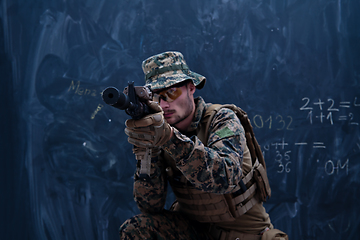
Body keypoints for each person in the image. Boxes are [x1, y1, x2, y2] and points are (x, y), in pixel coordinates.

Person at [119, 51, 288, 240]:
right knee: (136, 229)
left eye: (171, 93)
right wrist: (146, 152)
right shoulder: (161, 134)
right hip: (195, 233)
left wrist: (169, 139)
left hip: (245, 235)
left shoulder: (222, 120)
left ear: (191, 88)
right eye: (156, 97)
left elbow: (225, 178)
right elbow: (150, 205)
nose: (164, 104)